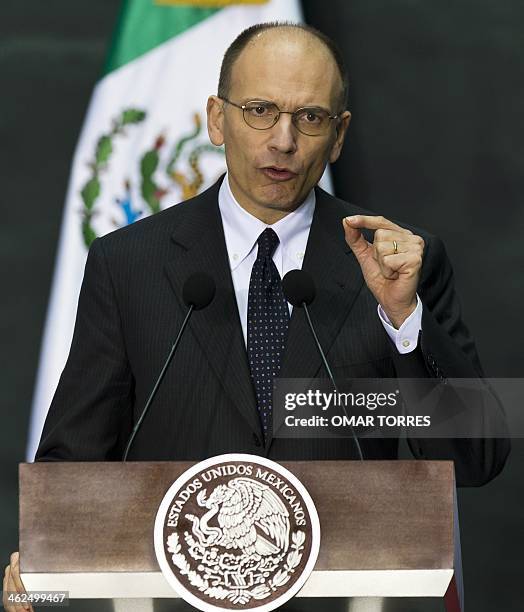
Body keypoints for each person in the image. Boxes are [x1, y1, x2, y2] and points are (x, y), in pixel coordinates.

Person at [4, 22, 509, 612]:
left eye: (311, 117)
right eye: (261, 110)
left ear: (339, 135)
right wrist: (49, 585)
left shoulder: (401, 262)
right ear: (217, 118)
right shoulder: (130, 264)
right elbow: (74, 465)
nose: (284, 141)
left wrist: (404, 319)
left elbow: (478, 459)